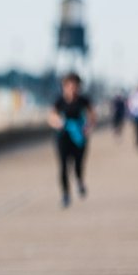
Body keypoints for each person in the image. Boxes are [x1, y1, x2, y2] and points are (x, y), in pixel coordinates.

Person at [48, 72, 96, 208]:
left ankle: (80, 181)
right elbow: (51, 116)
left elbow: (92, 116)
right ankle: (65, 194)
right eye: (69, 86)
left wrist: (89, 126)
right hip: (63, 136)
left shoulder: (84, 100)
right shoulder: (59, 101)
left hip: (80, 137)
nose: (72, 89)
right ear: (64, 86)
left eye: (75, 86)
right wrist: (57, 122)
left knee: (78, 164)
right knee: (63, 166)